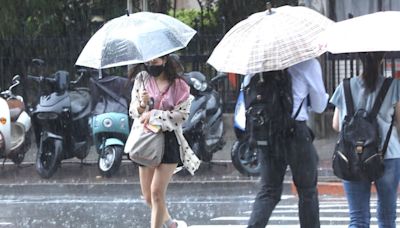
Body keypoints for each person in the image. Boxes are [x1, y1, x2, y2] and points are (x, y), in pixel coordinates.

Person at [247, 58, 328, 228]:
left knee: (269, 191)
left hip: (267, 134)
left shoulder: (256, 65)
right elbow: (320, 106)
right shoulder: (308, 63)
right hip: (296, 132)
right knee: (307, 192)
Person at [128, 54, 201, 228]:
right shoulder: (142, 79)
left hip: (169, 141)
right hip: (147, 139)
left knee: (157, 193)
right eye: (148, 62)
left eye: (155, 61)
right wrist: (142, 104)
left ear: (165, 60)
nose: (151, 65)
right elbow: (134, 111)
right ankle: (171, 224)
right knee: (147, 196)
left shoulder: (179, 85)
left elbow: (181, 116)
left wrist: (154, 115)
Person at [330, 52, 400, 228]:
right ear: (382, 58)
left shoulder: (345, 86)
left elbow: (337, 125)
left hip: (352, 156)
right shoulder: (393, 86)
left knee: (358, 218)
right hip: (388, 155)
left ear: (359, 59)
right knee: (387, 218)